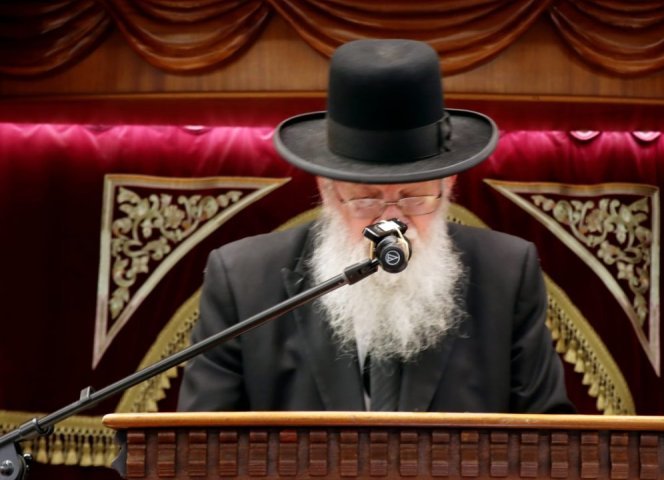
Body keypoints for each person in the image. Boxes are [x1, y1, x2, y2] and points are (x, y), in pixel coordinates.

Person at [177, 39, 573, 413]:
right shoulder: (243, 279)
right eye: (366, 199)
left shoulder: (507, 272)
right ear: (327, 190)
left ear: (448, 185)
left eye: (413, 196)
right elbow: (199, 441)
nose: (390, 221)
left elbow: (550, 437)